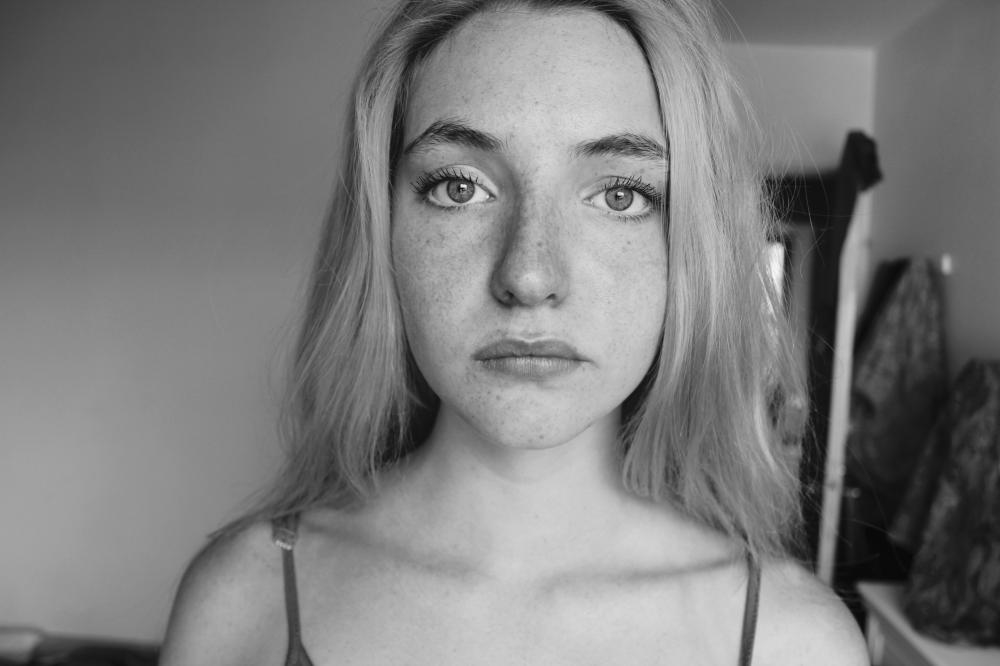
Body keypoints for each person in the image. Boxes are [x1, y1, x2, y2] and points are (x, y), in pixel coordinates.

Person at [160, 0, 868, 664]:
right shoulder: (243, 601)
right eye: (459, 186)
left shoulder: (794, 644)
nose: (530, 276)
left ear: (690, 246)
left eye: (620, 194)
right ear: (382, 232)